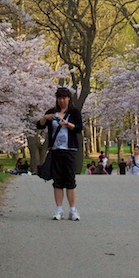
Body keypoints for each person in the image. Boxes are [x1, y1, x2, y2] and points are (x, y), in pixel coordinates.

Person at [36, 86, 84, 221]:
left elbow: (79, 128)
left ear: (69, 98)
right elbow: (39, 125)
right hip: (56, 150)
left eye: (64, 98)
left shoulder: (74, 112)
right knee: (57, 181)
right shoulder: (51, 113)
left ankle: (73, 210)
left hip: (70, 150)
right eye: (60, 98)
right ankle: (59, 209)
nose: (62, 101)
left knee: (70, 180)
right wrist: (45, 118)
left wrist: (68, 124)